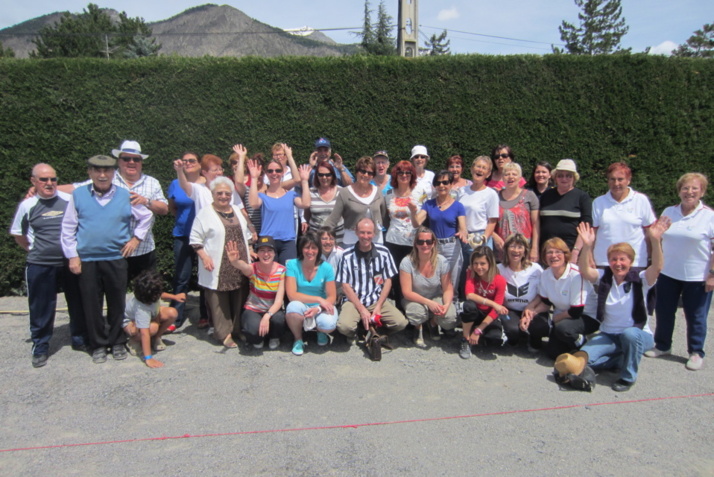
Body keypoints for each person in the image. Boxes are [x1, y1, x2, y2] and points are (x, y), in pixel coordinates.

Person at [61, 155, 153, 364]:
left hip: (115, 258)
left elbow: (146, 216)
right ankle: (98, 344)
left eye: (107, 171)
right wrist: (73, 256)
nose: (102, 175)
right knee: (91, 304)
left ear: (113, 173)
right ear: (90, 173)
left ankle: (118, 341)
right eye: (97, 170)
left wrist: (136, 240)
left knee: (116, 302)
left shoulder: (124, 195)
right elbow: (67, 228)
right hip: (88, 259)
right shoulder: (78, 195)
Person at [577, 219, 669, 391]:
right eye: (613, 259)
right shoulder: (604, 276)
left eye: (622, 259)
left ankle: (628, 376)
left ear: (631, 261)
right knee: (584, 359)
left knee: (630, 335)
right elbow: (584, 270)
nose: (618, 263)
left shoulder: (641, 279)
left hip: (637, 334)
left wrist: (655, 241)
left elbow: (657, 267)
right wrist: (587, 246)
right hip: (609, 334)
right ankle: (623, 357)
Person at [10, 163, 87, 367]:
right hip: (40, 263)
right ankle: (41, 345)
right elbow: (18, 234)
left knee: (78, 302)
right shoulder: (27, 205)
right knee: (41, 306)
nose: (49, 183)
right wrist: (33, 249)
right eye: (44, 179)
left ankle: (79, 339)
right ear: (33, 182)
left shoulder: (69, 200)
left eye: (53, 179)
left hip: (70, 261)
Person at [60, 140, 168, 280]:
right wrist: (44, 188)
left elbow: (164, 209)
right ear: (119, 161)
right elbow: (75, 188)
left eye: (136, 159)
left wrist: (146, 201)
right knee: (115, 295)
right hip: (114, 253)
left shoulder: (152, 182)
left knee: (147, 293)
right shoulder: (106, 177)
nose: (131, 162)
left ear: (141, 162)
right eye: (126, 158)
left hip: (143, 249)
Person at [645, 173, 714, 371]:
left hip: (697, 276)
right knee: (664, 311)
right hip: (668, 272)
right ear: (679, 191)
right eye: (685, 188)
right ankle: (662, 345)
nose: (689, 192)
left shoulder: (709, 216)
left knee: (696, 315)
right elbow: (658, 236)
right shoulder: (669, 211)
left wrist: (712, 274)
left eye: (694, 189)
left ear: (702, 192)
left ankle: (695, 352)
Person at [189, 177, 252, 347]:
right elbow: (195, 239)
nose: (223, 196)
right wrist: (204, 256)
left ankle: (238, 330)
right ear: (213, 194)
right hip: (217, 264)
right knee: (219, 301)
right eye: (220, 193)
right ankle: (224, 334)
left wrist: (250, 250)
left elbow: (246, 234)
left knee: (240, 296)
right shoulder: (205, 213)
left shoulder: (237, 211)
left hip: (239, 264)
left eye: (227, 193)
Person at [336, 217, 408, 350]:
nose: (365, 236)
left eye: (369, 233)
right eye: (362, 232)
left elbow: (388, 281)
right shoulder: (347, 256)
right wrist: (362, 310)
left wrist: (379, 306)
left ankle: (375, 330)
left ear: (374, 233)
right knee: (344, 327)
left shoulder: (384, 252)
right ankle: (357, 331)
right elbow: (345, 285)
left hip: (375, 299)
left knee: (400, 323)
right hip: (354, 300)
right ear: (356, 232)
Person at [522, 237, 598, 359]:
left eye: (558, 252)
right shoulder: (546, 274)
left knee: (563, 330)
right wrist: (531, 313)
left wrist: (553, 321)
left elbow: (575, 311)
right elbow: (546, 303)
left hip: (586, 317)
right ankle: (569, 342)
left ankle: (584, 345)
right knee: (554, 353)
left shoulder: (575, 274)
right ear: (544, 256)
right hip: (563, 318)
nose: (554, 255)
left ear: (565, 254)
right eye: (549, 252)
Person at [166, 151, 208, 332]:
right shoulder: (175, 184)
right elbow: (172, 208)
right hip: (183, 235)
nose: (188, 163)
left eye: (192, 160)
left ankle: (205, 315)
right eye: (185, 161)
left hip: (205, 238)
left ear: (199, 165)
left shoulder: (208, 184)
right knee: (181, 278)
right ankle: (176, 316)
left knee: (205, 277)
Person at [411, 170, 467, 296]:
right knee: (435, 280)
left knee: (452, 281)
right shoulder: (429, 204)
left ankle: (453, 309)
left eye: (445, 182)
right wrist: (413, 212)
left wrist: (463, 233)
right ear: (434, 186)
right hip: (434, 247)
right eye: (438, 182)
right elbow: (416, 223)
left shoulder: (458, 206)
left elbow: (463, 227)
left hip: (452, 247)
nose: (441, 185)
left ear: (451, 184)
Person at [591, 162, 656, 269]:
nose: (616, 183)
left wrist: (651, 257)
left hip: (634, 262)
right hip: (604, 262)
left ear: (628, 180)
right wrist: (589, 256)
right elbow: (593, 233)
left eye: (620, 179)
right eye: (612, 179)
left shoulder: (641, 200)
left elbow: (650, 232)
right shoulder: (598, 202)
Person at [400, 227, 457, 347]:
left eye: (428, 241)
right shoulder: (407, 262)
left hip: (435, 296)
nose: (424, 245)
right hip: (414, 298)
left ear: (434, 243)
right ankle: (418, 327)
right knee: (417, 313)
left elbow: (447, 288)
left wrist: (446, 305)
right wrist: (428, 303)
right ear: (415, 244)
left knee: (449, 317)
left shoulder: (442, 261)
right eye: (421, 242)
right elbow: (407, 292)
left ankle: (433, 323)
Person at [226, 236, 287, 351]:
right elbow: (242, 266)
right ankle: (259, 337)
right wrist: (234, 261)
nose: (266, 254)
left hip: (272, 310)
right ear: (257, 253)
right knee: (253, 332)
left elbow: (279, 301)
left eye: (269, 250)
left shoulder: (281, 270)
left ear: (274, 253)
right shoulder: (253, 268)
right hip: (253, 309)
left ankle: (274, 337)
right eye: (262, 250)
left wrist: (267, 316)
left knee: (279, 319)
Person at [248, 157, 311, 264]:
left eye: (278, 170)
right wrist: (254, 178)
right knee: (269, 277)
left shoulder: (291, 194)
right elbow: (253, 204)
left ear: (282, 173)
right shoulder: (262, 195)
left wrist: (304, 181)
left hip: (288, 242)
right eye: (270, 171)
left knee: (288, 275)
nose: (274, 173)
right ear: (266, 173)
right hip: (267, 242)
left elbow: (306, 203)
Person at [285, 233, 338, 355]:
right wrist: (319, 299)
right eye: (306, 247)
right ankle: (298, 339)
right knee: (292, 309)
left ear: (318, 249)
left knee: (328, 325)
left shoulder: (327, 268)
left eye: (314, 247)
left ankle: (320, 330)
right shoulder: (292, 265)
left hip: (320, 307)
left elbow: (332, 297)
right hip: (301, 305)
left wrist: (318, 308)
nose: (310, 251)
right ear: (301, 249)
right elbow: (292, 295)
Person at [456, 156, 499, 298]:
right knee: (464, 272)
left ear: (488, 174)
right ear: (471, 169)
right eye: (478, 166)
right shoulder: (461, 191)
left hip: (480, 238)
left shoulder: (491, 194)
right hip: (463, 237)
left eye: (484, 168)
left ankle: (485, 305)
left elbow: (492, 221)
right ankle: (464, 304)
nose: (480, 170)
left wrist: (483, 238)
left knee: (482, 273)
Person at [496, 234, 547, 350]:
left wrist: (531, 307)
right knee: (512, 330)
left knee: (540, 327)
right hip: (510, 310)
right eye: (512, 247)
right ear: (506, 249)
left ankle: (534, 339)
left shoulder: (536, 269)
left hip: (532, 309)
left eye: (520, 247)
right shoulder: (499, 269)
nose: (516, 250)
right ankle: (515, 337)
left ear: (525, 251)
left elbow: (543, 292)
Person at [123, 269, 182, 368]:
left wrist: (174, 297)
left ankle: (156, 337)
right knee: (152, 328)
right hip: (132, 323)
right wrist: (149, 358)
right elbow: (144, 332)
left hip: (152, 314)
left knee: (172, 313)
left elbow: (161, 294)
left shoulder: (147, 291)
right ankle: (134, 341)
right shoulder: (142, 308)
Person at [324, 156, 387, 248]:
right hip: (351, 242)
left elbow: (384, 217)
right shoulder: (345, 193)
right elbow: (333, 219)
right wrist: (321, 236)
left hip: (376, 241)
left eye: (370, 173)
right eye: (363, 171)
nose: (366, 175)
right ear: (357, 172)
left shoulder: (378, 192)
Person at [459, 246, 508, 359]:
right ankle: (465, 339)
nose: (478, 267)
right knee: (468, 306)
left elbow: (496, 310)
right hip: (475, 311)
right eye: (475, 263)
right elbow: (469, 295)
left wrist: (478, 330)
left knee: (494, 340)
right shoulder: (471, 273)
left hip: (489, 314)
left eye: (482, 263)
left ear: (490, 263)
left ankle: (477, 332)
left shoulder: (499, 280)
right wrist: (493, 303)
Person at [384, 160, 420, 307]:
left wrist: (412, 211)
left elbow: (419, 221)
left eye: (408, 172)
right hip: (392, 242)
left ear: (412, 175)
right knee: (396, 277)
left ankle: (413, 310)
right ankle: (399, 308)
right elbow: (384, 218)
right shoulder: (388, 195)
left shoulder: (418, 195)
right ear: (395, 175)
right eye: (401, 172)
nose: (404, 175)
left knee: (413, 276)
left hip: (411, 243)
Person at [539, 159, 592, 256]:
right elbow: (538, 223)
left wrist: (576, 251)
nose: (564, 179)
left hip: (571, 252)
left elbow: (586, 227)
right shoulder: (546, 195)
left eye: (568, 176)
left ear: (574, 178)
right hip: (547, 251)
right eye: (560, 175)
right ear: (555, 178)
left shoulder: (582, 197)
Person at [494, 162, 540, 263]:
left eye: (514, 174)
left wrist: (535, 249)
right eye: (507, 174)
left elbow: (536, 224)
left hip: (524, 250)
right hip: (502, 251)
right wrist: (494, 237)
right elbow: (488, 222)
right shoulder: (495, 196)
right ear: (502, 177)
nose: (510, 177)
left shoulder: (529, 196)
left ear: (520, 178)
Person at [304, 160, 344, 244]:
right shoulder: (310, 192)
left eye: (327, 175)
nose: (324, 178)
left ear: (333, 175)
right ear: (316, 176)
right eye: (321, 175)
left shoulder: (341, 192)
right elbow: (307, 214)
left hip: (338, 239)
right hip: (316, 240)